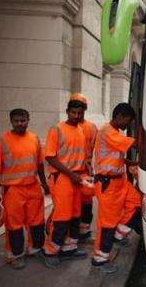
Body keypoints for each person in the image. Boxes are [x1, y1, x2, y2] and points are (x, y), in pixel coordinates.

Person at [0, 108, 49, 269]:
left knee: (37, 222)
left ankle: (35, 248)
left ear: (28, 119)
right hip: (12, 190)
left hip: (33, 188)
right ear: (11, 122)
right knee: (14, 225)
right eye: (16, 121)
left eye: (23, 120)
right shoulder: (1, 141)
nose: (20, 124)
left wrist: (44, 184)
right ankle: (14, 255)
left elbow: (40, 164)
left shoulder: (34, 138)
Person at [91, 103, 141, 274]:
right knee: (107, 224)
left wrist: (133, 163)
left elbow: (117, 157)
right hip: (108, 184)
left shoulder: (115, 133)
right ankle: (100, 259)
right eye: (127, 121)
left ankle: (118, 236)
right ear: (118, 116)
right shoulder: (107, 131)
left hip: (120, 181)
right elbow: (134, 144)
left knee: (137, 205)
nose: (127, 125)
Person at [40, 100, 88, 269]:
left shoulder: (80, 130)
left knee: (75, 215)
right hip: (62, 178)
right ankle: (50, 251)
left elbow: (80, 155)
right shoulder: (57, 129)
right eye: (73, 112)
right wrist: (71, 174)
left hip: (76, 178)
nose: (77, 115)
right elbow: (50, 156)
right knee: (62, 217)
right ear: (67, 111)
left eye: (80, 113)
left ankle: (69, 248)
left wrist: (85, 171)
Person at [69, 93, 97, 239]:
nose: (77, 114)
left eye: (80, 109)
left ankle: (84, 230)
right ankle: (72, 233)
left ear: (84, 109)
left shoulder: (91, 128)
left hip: (86, 170)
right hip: (69, 171)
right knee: (71, 204)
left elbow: (97, 149)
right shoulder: (65, 128)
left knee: (86, 201)